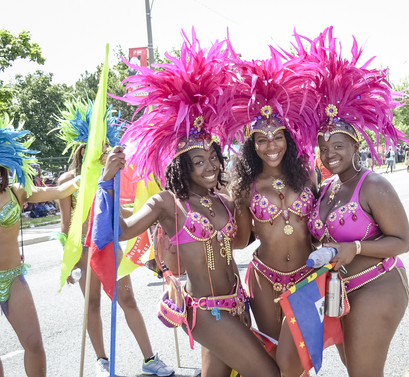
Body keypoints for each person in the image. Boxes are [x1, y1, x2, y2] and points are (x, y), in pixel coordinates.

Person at [111, 31, 281, 377]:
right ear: (181, 166)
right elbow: (122, 230)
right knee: (268, 373)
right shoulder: (167, 203)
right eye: (199, 161)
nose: (211, 166)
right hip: (207, 312)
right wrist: (108, 185)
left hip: (237, 304)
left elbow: (240, 240)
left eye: (213, 158)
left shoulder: (222, 199)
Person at [296, 28, 409, 377]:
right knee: (356, 368)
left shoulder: (372, 184)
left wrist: (356, 248)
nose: (331, 154)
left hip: (378, 284)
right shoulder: (327, 188)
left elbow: (403, 242)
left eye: (339, 146)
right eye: (324, 147)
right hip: (338, 291)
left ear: (355, 146)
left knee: (363, 373)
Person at [53, 98, 173, 377]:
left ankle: (149, 359)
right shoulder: (68, 181)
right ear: (83, 148)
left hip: (108, 245)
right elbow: (66, 224)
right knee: (92, 304)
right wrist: (68, 259)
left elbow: (119, 212)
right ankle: (101, 361)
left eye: (107, 146)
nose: (104, 151)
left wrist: (155, 211)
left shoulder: (111, 178)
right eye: (99, 146)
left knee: (128, 300)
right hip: (83, 250)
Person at [228, 48, 319, 377]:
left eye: (278, 137)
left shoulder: (308, 175)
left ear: (288, 140)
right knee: (275, 358)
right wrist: (208, 228)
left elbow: (322, 225)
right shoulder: (245, 186)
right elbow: (238, 242)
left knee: (299, 359)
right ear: (252, 145)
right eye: (262, 139)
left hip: (309, 277)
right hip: (265, 279)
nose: (271, 145)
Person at [0, 115, 80, 377]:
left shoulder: (16, 191)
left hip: (12, 278)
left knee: (34, 345)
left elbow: (60, 191)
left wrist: (93, 171)